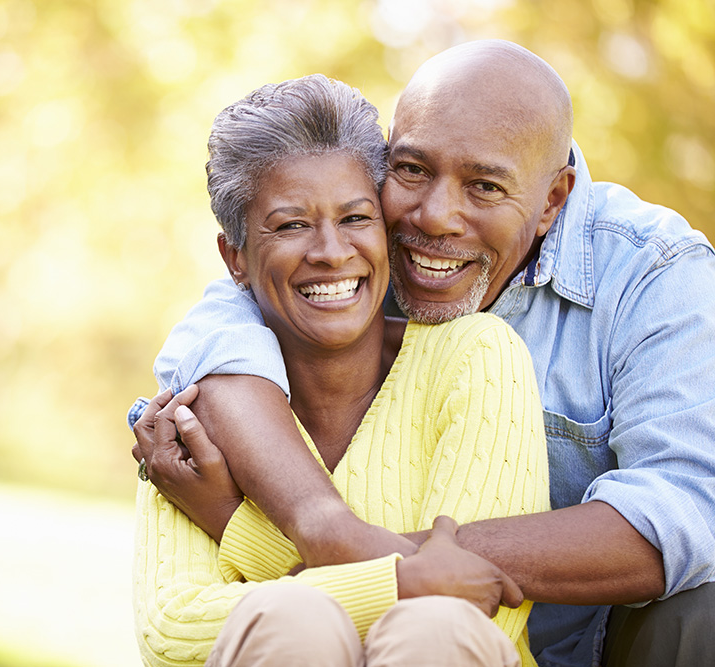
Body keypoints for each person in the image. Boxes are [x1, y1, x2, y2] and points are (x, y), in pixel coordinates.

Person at [130, 40, 715, 666]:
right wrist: (364, 558)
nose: (434, 217)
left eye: (484, 187)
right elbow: (224, 322)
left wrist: (257, 527)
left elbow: (684, 510)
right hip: (341, 639)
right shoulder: (324, 273)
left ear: (552, 201)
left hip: (583, 641)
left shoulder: (651, 274)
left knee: (702, 611)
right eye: (411, 170)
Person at [131, 73, 552, 667]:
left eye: (356, 218)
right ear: (235, 258)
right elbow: (173, 630)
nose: (331, 252)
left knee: (429, 631)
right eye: (292, 225)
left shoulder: (475, 357)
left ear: (385, 226)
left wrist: (232, 523)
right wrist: (403, 583)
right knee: (291, 624)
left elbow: (478, 607)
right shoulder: (197, 408)